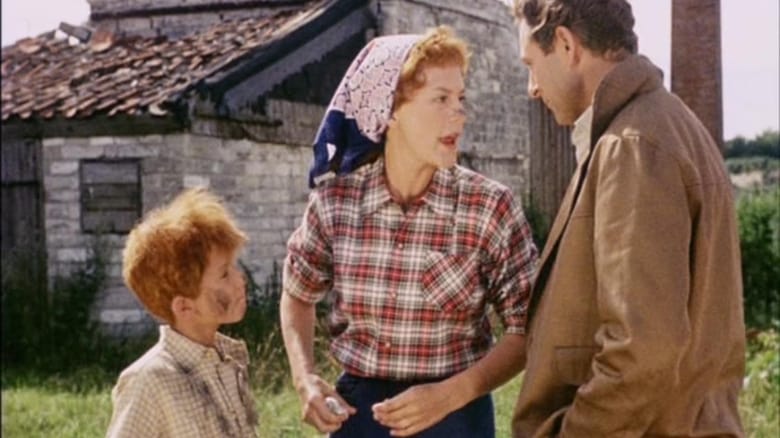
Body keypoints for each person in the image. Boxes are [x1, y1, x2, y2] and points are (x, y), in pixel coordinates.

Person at [280, 26, 538, 437]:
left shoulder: (489, 207)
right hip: (358, 418)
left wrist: (452, 395)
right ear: (390, 110)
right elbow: (297, 294)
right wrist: (304, 378)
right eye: (441, 98)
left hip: (456, 419)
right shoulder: (336, 203)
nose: (459, 114)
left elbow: (528, 328)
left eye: (461, 99)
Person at [509, 1, 746, 437]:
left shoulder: (632, 144)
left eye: (531, 65)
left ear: (565, 45)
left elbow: (641, 353)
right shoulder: (659, 125)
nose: (532, 88)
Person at [106, 188, 258, 438]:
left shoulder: (230, 359)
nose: (240, 280)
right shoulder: (150, 380)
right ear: (185, 307)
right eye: (224, 274)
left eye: (234, 267)